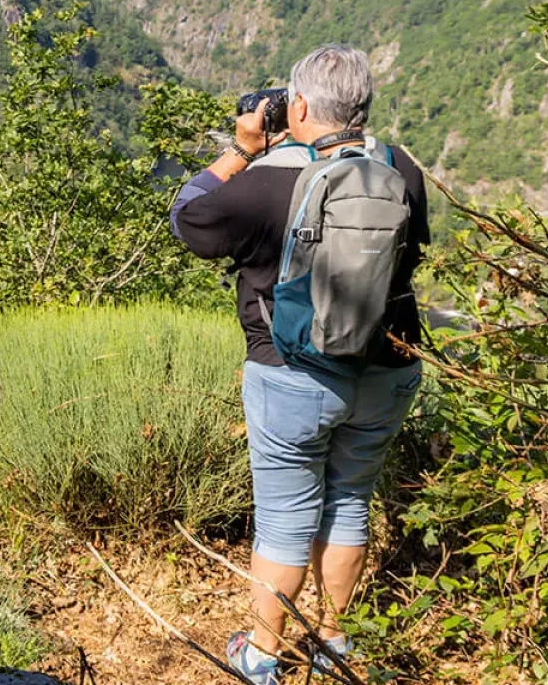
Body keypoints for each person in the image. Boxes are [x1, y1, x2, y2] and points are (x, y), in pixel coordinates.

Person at [169, 44, 428, 683]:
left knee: (286, 516)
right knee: (349, 503)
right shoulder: (402, 169)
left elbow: (187, 217)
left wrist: (243, 148)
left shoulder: (267, 183)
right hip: (387, 368)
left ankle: (262, 654)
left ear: (300, 105)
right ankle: (333, 642)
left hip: (294, 373)